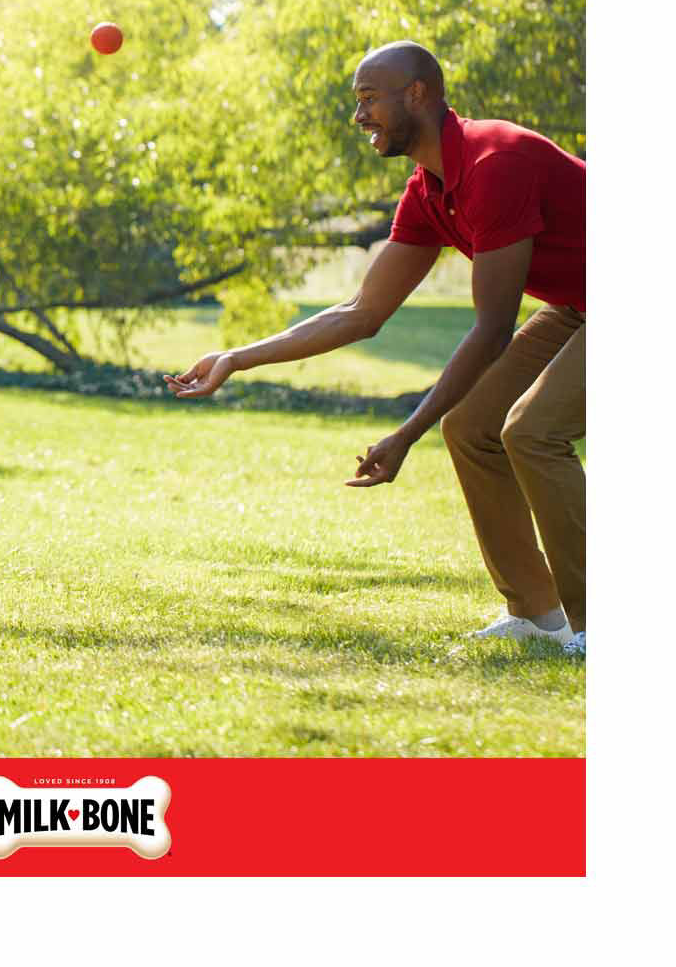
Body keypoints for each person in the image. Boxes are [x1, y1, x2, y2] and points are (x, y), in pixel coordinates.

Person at [165, 41, 586, 657]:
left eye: (368, 100)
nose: (358, 116)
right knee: (471, 427)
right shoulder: (429, 191)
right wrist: (237, 357)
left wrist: (406, 433)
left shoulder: (495, 162)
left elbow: (492, 329)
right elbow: (362, 312)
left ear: (416, 94)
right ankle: (538, 613)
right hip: (579, 305)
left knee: (530, 431)